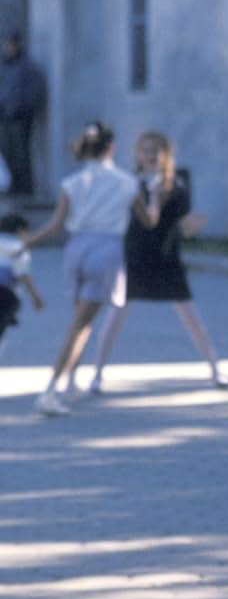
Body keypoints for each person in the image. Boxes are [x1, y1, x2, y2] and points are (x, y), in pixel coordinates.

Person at [20, 120, 158, 416]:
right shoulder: (127, 182)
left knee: (80, 318)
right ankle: (50, 390)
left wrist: (27, 242)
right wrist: (156, 195)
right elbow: (149, 222)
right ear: (111, 147)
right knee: (80, 326)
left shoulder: (72, 183)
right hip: (106, 251)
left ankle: (70, 380)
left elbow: (56, 226)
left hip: (75, 250)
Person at [89, 130, 228, 393]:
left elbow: (182, 227)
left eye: (156, 150)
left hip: (166, 258)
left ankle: (215, 369)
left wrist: (194, 225)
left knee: (191, 317)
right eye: (146, 150)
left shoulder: (177, 186)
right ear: (138, 155)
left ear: (166, 155)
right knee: (115, 316)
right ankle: (96, 374)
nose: (151, 155)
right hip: (134, 257)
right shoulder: (128, 183)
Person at [0, 31, 47, 196]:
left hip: (21, 116)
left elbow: (37, 89)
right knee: (7, 151)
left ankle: (25, 187)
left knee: (21, 154)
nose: (8, 48)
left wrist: (25, 107)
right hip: (6, 116)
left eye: (11, 45)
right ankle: (13, 185)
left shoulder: (27, 66)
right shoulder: (6, 66)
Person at [0, 213, 44, 350]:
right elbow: (23, 275)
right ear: (20, 230)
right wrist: (36, 298)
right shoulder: (18, 248)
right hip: (5, 294)